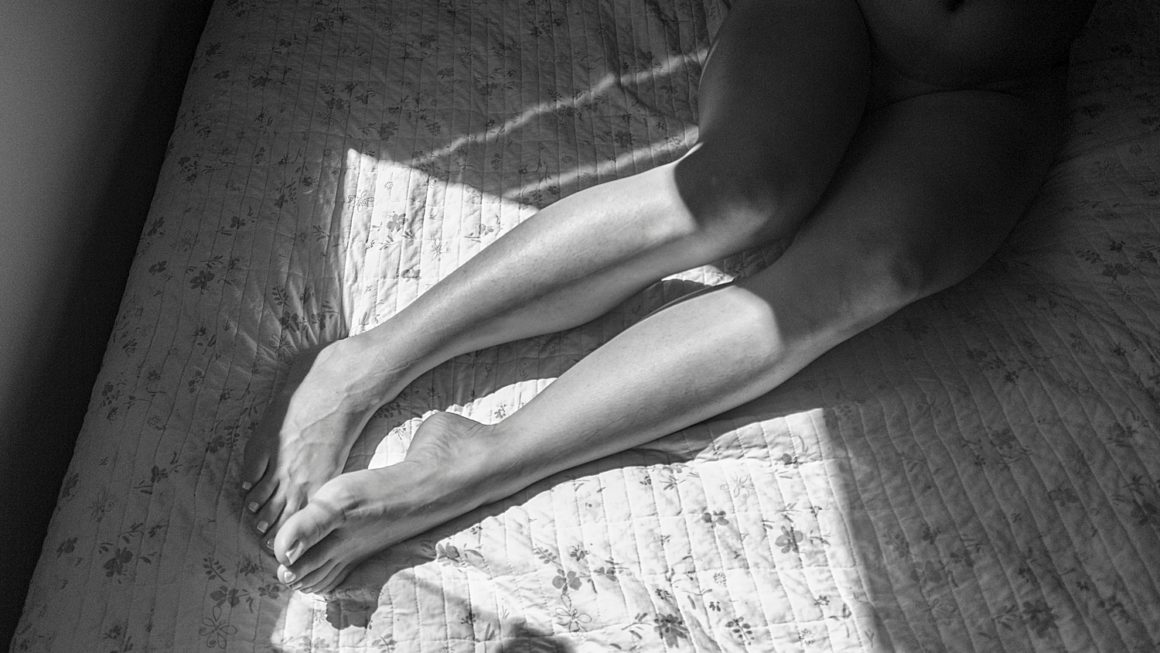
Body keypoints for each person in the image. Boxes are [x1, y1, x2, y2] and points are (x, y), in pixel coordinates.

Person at [239, 0, 1096, 594]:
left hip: (995, 83)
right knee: (738, 189)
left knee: (886, 267)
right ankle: (363, 364)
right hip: (835, 14)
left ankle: (473, 461)